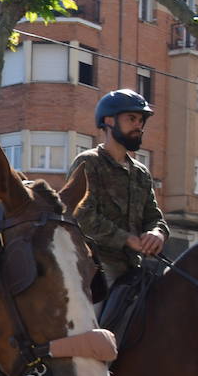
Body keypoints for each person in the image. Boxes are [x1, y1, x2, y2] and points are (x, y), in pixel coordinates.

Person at [67, 89, 168, 289]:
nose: (138, 125)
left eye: (141, 120)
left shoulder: (141, 173)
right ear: (109, 121)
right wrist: (127, 239)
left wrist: (157, 233)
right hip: (95, 268)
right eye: (132, 118)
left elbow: (154, 217)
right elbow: (81, 215)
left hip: (135, 268)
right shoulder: (88, 162)